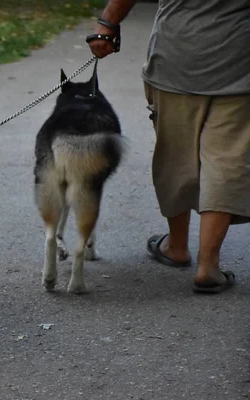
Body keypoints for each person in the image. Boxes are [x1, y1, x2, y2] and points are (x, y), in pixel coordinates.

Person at [87, 0, 250, 293]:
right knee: (228, 159)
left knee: (175, 154)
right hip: (238, 62)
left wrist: (108, 24)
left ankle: (176, 246)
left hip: (175, 58)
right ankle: (208, 265)